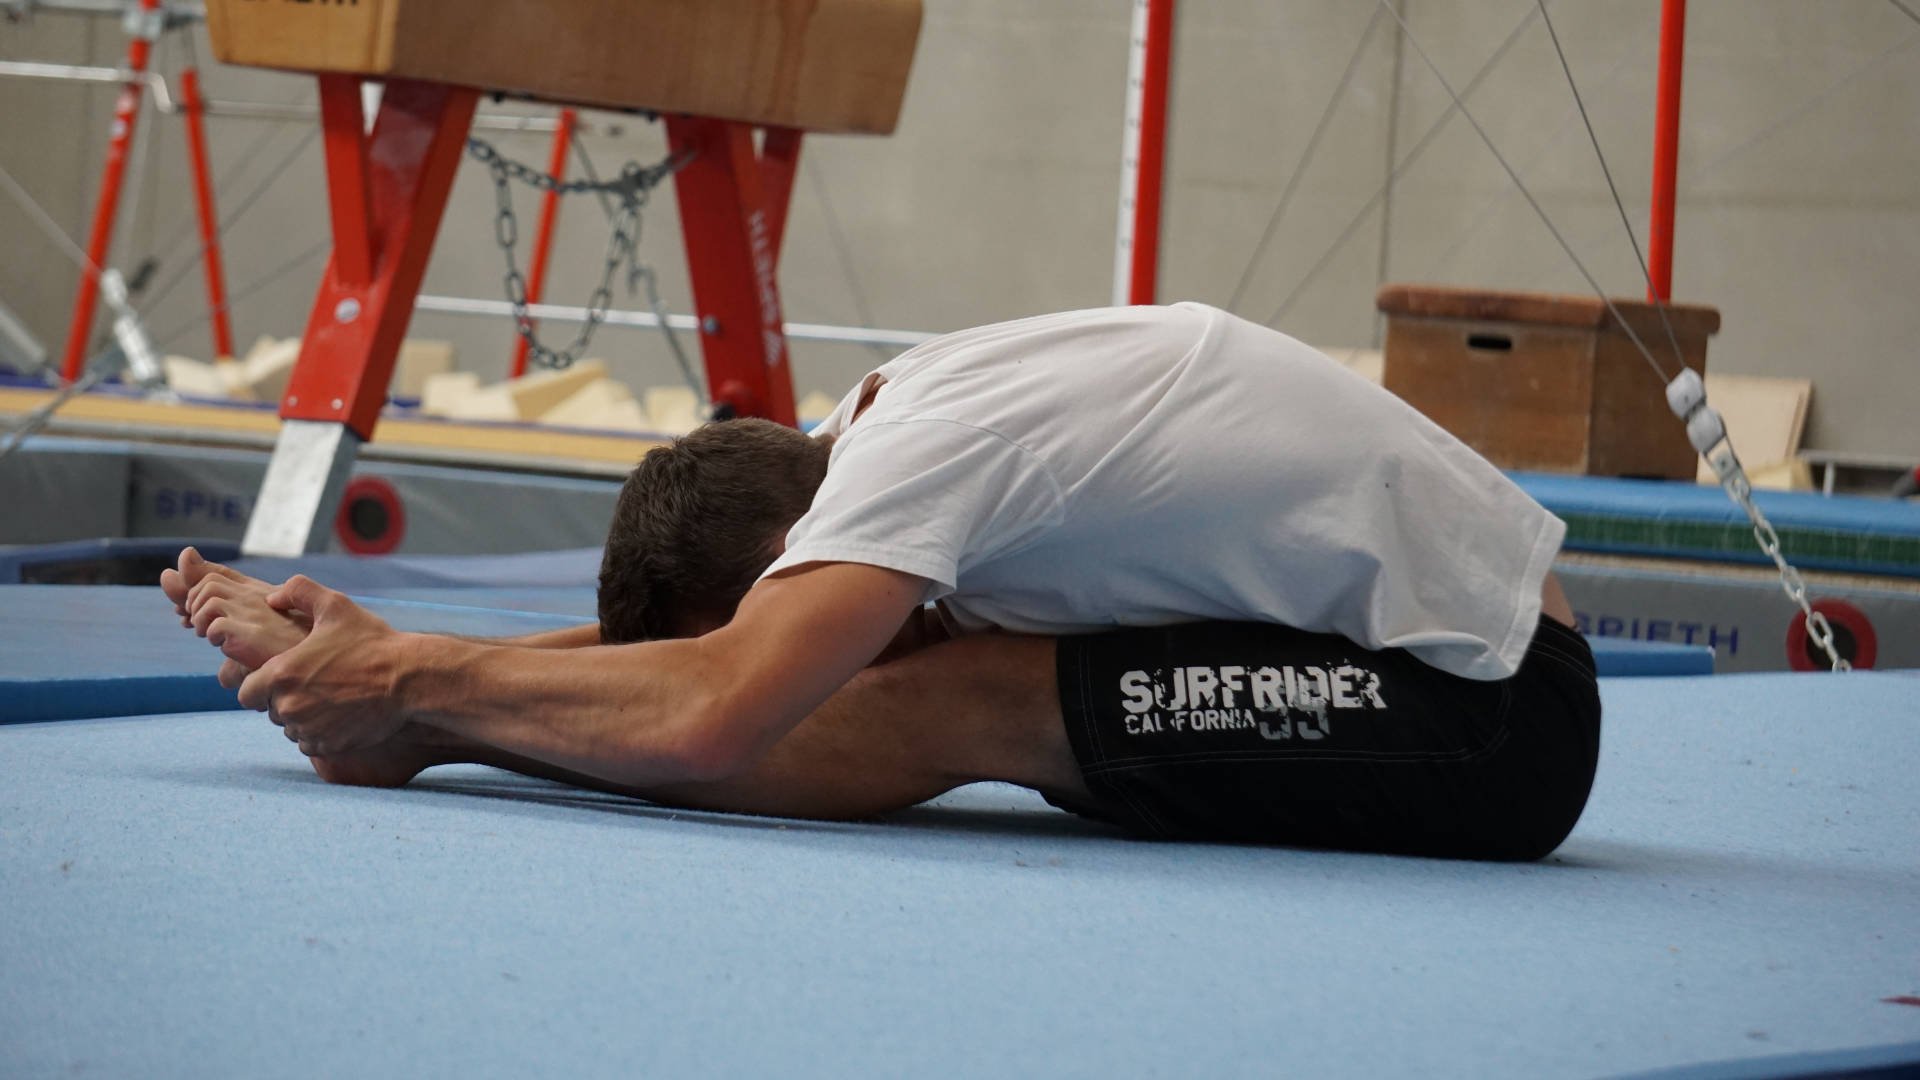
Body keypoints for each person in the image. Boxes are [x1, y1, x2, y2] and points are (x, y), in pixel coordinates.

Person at [168, 302, 1600, 859]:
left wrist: (410, 689)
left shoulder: (918, 465)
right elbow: (739, 657)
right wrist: (411, 655)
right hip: (1396, 653)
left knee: (958, 693)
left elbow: (717, 708)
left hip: (1487, 712)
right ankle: (418, 723)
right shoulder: (870, 440)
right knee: (911, 663)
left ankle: (414, 729)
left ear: (798, 562)